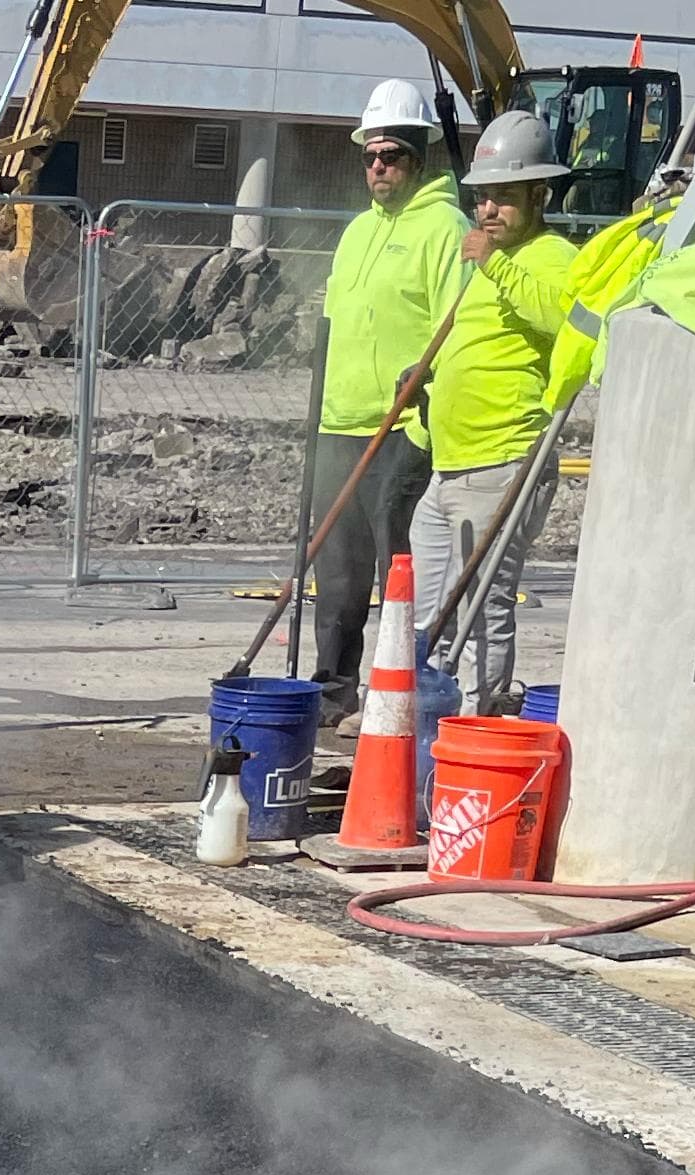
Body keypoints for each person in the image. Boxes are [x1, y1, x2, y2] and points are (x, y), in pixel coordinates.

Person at [409, 106, 580, 719]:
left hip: (507, 460)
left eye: (503, 199)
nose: (488, 211)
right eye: (483, 198)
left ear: (539, 195)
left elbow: (560, 318)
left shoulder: (550, 256)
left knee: (484, 604)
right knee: (421, 605)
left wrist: (495, 262)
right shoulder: (486, 262)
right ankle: (414, 720)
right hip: (451, 463)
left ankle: (474, 724)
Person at [307, 80, 464, 707]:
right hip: (339, 424)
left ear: (418, 156)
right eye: (370, 155)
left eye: (391, 154)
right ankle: (335, 687)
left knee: (399, 569)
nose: (378, 165)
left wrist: (420, 396)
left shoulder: (443, 229)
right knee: (337, 572)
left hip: (401, 429)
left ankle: (400, 688)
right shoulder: (355, 234)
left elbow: (455, 325)